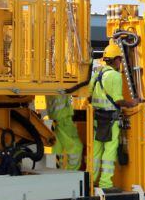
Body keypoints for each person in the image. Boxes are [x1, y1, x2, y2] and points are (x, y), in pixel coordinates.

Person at [88, 41, 135, 191]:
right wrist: (133, 102)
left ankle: (90, 181)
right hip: (110, 120)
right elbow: (118, 101)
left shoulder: (97, 74)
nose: (121, 62)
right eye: (120, 59)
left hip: (97, 119)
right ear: (115, 59)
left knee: (95, 152)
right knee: (109, 152)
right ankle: (105, 183)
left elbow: (88, 95)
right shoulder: (115, 76)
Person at [46, 94, 82, 170]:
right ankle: (71, 173)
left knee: (56, 148)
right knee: (76, 148)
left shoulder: (51, 84)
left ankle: (57, 173)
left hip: (56, 119)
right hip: (64, 119)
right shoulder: (61, 84)